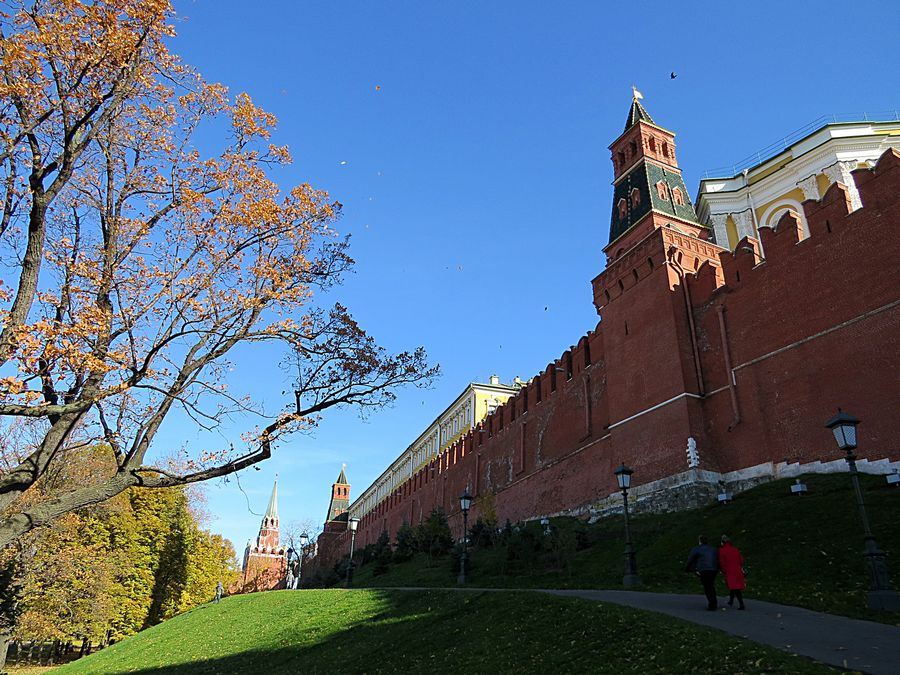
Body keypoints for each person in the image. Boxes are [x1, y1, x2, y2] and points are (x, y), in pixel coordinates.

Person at [685, 535, 719, 610]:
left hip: (704, 569)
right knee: (711, 585)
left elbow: (690, 559)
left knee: (707, 587)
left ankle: (712, 604)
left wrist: (688, 569)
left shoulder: (697, 549)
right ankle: (714, 602)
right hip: (714, 569)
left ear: (700, 541)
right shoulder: (713, 549)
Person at [718, 535, 746, 610]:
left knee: (735, 587)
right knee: (734, 586)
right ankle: (731, 600)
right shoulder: (735, 550)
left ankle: (741, 604)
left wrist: (723, 571)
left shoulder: (721, 551)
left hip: (730, 571)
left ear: (723, 542)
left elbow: (722, 563)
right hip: (738, 570)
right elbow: (741, 561)